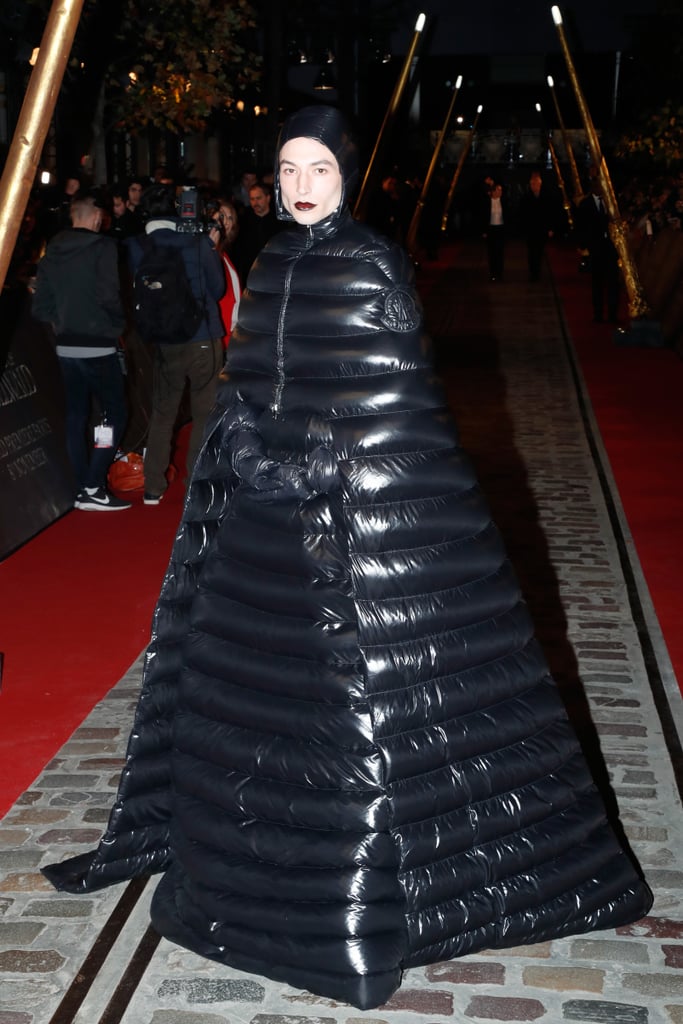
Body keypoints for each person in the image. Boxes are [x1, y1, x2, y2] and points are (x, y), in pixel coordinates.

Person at [43, 106, 651, 1009]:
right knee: (245, 681)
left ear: (346, 175)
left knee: (359, 703)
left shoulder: (371, 262)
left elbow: (394, 398)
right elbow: (258, 377)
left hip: (357, 522)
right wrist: (246, 444)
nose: (297, 184)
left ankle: (357, 906)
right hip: (266, 521)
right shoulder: (276, 259)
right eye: (287, 168)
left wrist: (326, 460)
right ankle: (242, 867)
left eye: (315, 169)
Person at [126, 184, 225, 505]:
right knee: (203, 412)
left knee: (163, 413)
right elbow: (218, 288)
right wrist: (212, 249)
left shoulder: (136, 246)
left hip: (164, 340)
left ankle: (153, 486)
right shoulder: (197, 243)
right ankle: (194, 481)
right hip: (202, 338)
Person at [31, 194, 131, 510]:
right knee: (113, 414)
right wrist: (116, 325)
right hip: (98, 344)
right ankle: (93, 483)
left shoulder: (50, 253)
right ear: (96, 218)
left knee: (76, 415)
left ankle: (83, 485)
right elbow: (109, 295)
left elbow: (41, 306)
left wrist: (62, 321)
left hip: (66, 346)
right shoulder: (103, 248)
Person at [577, 176, 621, 323]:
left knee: (613, 283)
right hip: (596, 249)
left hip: (611, 248)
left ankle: (613, 314)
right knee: (597, 283)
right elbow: (581, 227)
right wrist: (584, 246)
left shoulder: (611, 203)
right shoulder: (585, 204)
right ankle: (598, 314)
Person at [231, 180, 283, 281]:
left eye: (258, 198)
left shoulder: (279, 222)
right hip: (250, 272)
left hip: (274, 271)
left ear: (268, 198)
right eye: (252, 199)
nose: (255, 203)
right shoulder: (243, 221)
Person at [208, 198, 241, 347]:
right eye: (221, 216)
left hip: (229, 333)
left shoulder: (224, 254)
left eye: (230, 217)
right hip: (218, 334)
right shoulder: (211, 253)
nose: (226, 222)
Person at [518, 170, 556, 281]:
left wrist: (551, 228)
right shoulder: (526, 198)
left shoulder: (547, 196)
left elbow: (551, 213)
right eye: (532, 184)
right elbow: (522, 214)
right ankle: (533, 272)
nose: (533, 186)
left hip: (542, 229)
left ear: (540, 184)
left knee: (539, 251)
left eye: (535, 183)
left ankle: (537, 272)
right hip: (531, 230)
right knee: (531, 252)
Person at [480, 180, 506, 281]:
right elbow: (483, 217)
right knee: (492, 252)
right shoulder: (487, 201)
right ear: (494, 191)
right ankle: (493, 273)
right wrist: (484, 231)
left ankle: (500, 272)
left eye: (501, 190)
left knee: (500, 252)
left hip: (500, 229)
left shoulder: (503, 201)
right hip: (491, 229)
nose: (500, 192)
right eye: (499, 190)